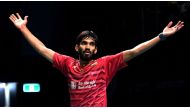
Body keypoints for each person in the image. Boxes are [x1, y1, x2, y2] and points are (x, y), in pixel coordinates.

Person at [9, 13, 184, 107]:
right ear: (77, 47)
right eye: (84, 43)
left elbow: (134, 51)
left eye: (91, 44)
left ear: (96, 49)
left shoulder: (105, 63)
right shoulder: (67, 63)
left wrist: (161, 36)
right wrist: (23, 29)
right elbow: (42, 49)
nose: (88, 47)